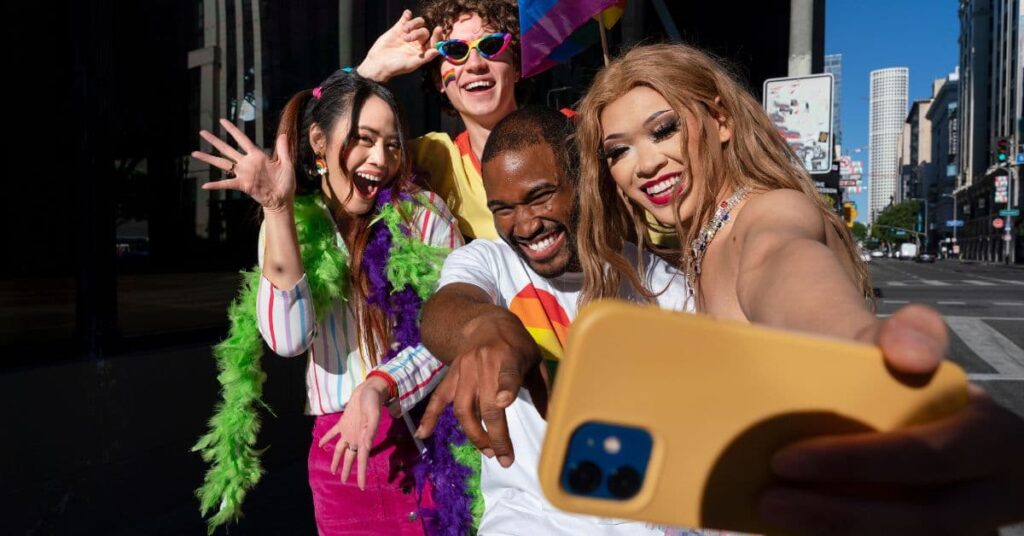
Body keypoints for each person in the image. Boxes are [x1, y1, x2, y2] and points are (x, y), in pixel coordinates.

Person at [573, 42, 1024, 534]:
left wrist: (857, 348)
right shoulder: (705, 242)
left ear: (721, 121)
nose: (645, 164)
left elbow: (782, 261)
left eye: (664, 129)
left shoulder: (768, 214)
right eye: (619, 150)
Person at [190, 71, 462, 535]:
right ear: (320, 141)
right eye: (363, 139)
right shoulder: (291, 223)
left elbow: (448, 330)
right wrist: (277, 210)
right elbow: (288, 340)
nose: (380, 158)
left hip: (425, 441)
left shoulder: (424, 215)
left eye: (393, 144)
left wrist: (379, 385)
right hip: (339, 457)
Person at [417, 106, 692, 534]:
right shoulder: (489, 262)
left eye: (540, 195)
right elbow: (445, 309)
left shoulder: (662, 289)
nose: (524, 225)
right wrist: (484, 328)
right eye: (502, 208)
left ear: (583, 180)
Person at [354, 0, 522, 240]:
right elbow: (317, 150)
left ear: (516, 67)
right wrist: (368, 73)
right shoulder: (434, 158)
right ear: (438, 80)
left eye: (491, 45)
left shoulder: (571, 135)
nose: (475, 64)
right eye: (455, 50)